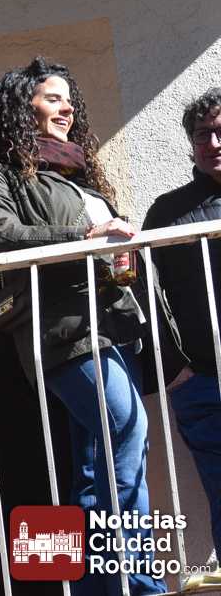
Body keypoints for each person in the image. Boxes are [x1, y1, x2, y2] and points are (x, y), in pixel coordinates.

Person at [0, 57, 183, 595]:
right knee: (127, 432)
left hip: (113, 327)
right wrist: (81, 240)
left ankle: (94, 587)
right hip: (63, 329)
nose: (65, 108)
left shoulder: (77, 175)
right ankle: (138, 582)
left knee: (92, 465)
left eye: (69, 100)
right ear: (24, 107)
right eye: (52, 98)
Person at [144, 86, 221, 590]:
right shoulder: (168, 213)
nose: (213, 143)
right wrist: (175, 369)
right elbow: (139, 295)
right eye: (202, 134)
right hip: (206, 383)